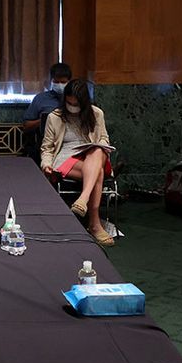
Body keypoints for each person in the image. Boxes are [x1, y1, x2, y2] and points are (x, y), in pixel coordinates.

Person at [40, 78, 116, 247]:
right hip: (67, 158)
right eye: (69, 103)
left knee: (97, 150)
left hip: (92, 154)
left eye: (76, 104)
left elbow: (103, 138)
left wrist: (100, 145)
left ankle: (83, 199)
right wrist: (46, 164)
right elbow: (47, 148)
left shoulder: (96, 114)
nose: (72, 107)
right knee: (99, 173)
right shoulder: (55, 117)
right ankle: (95, 224)